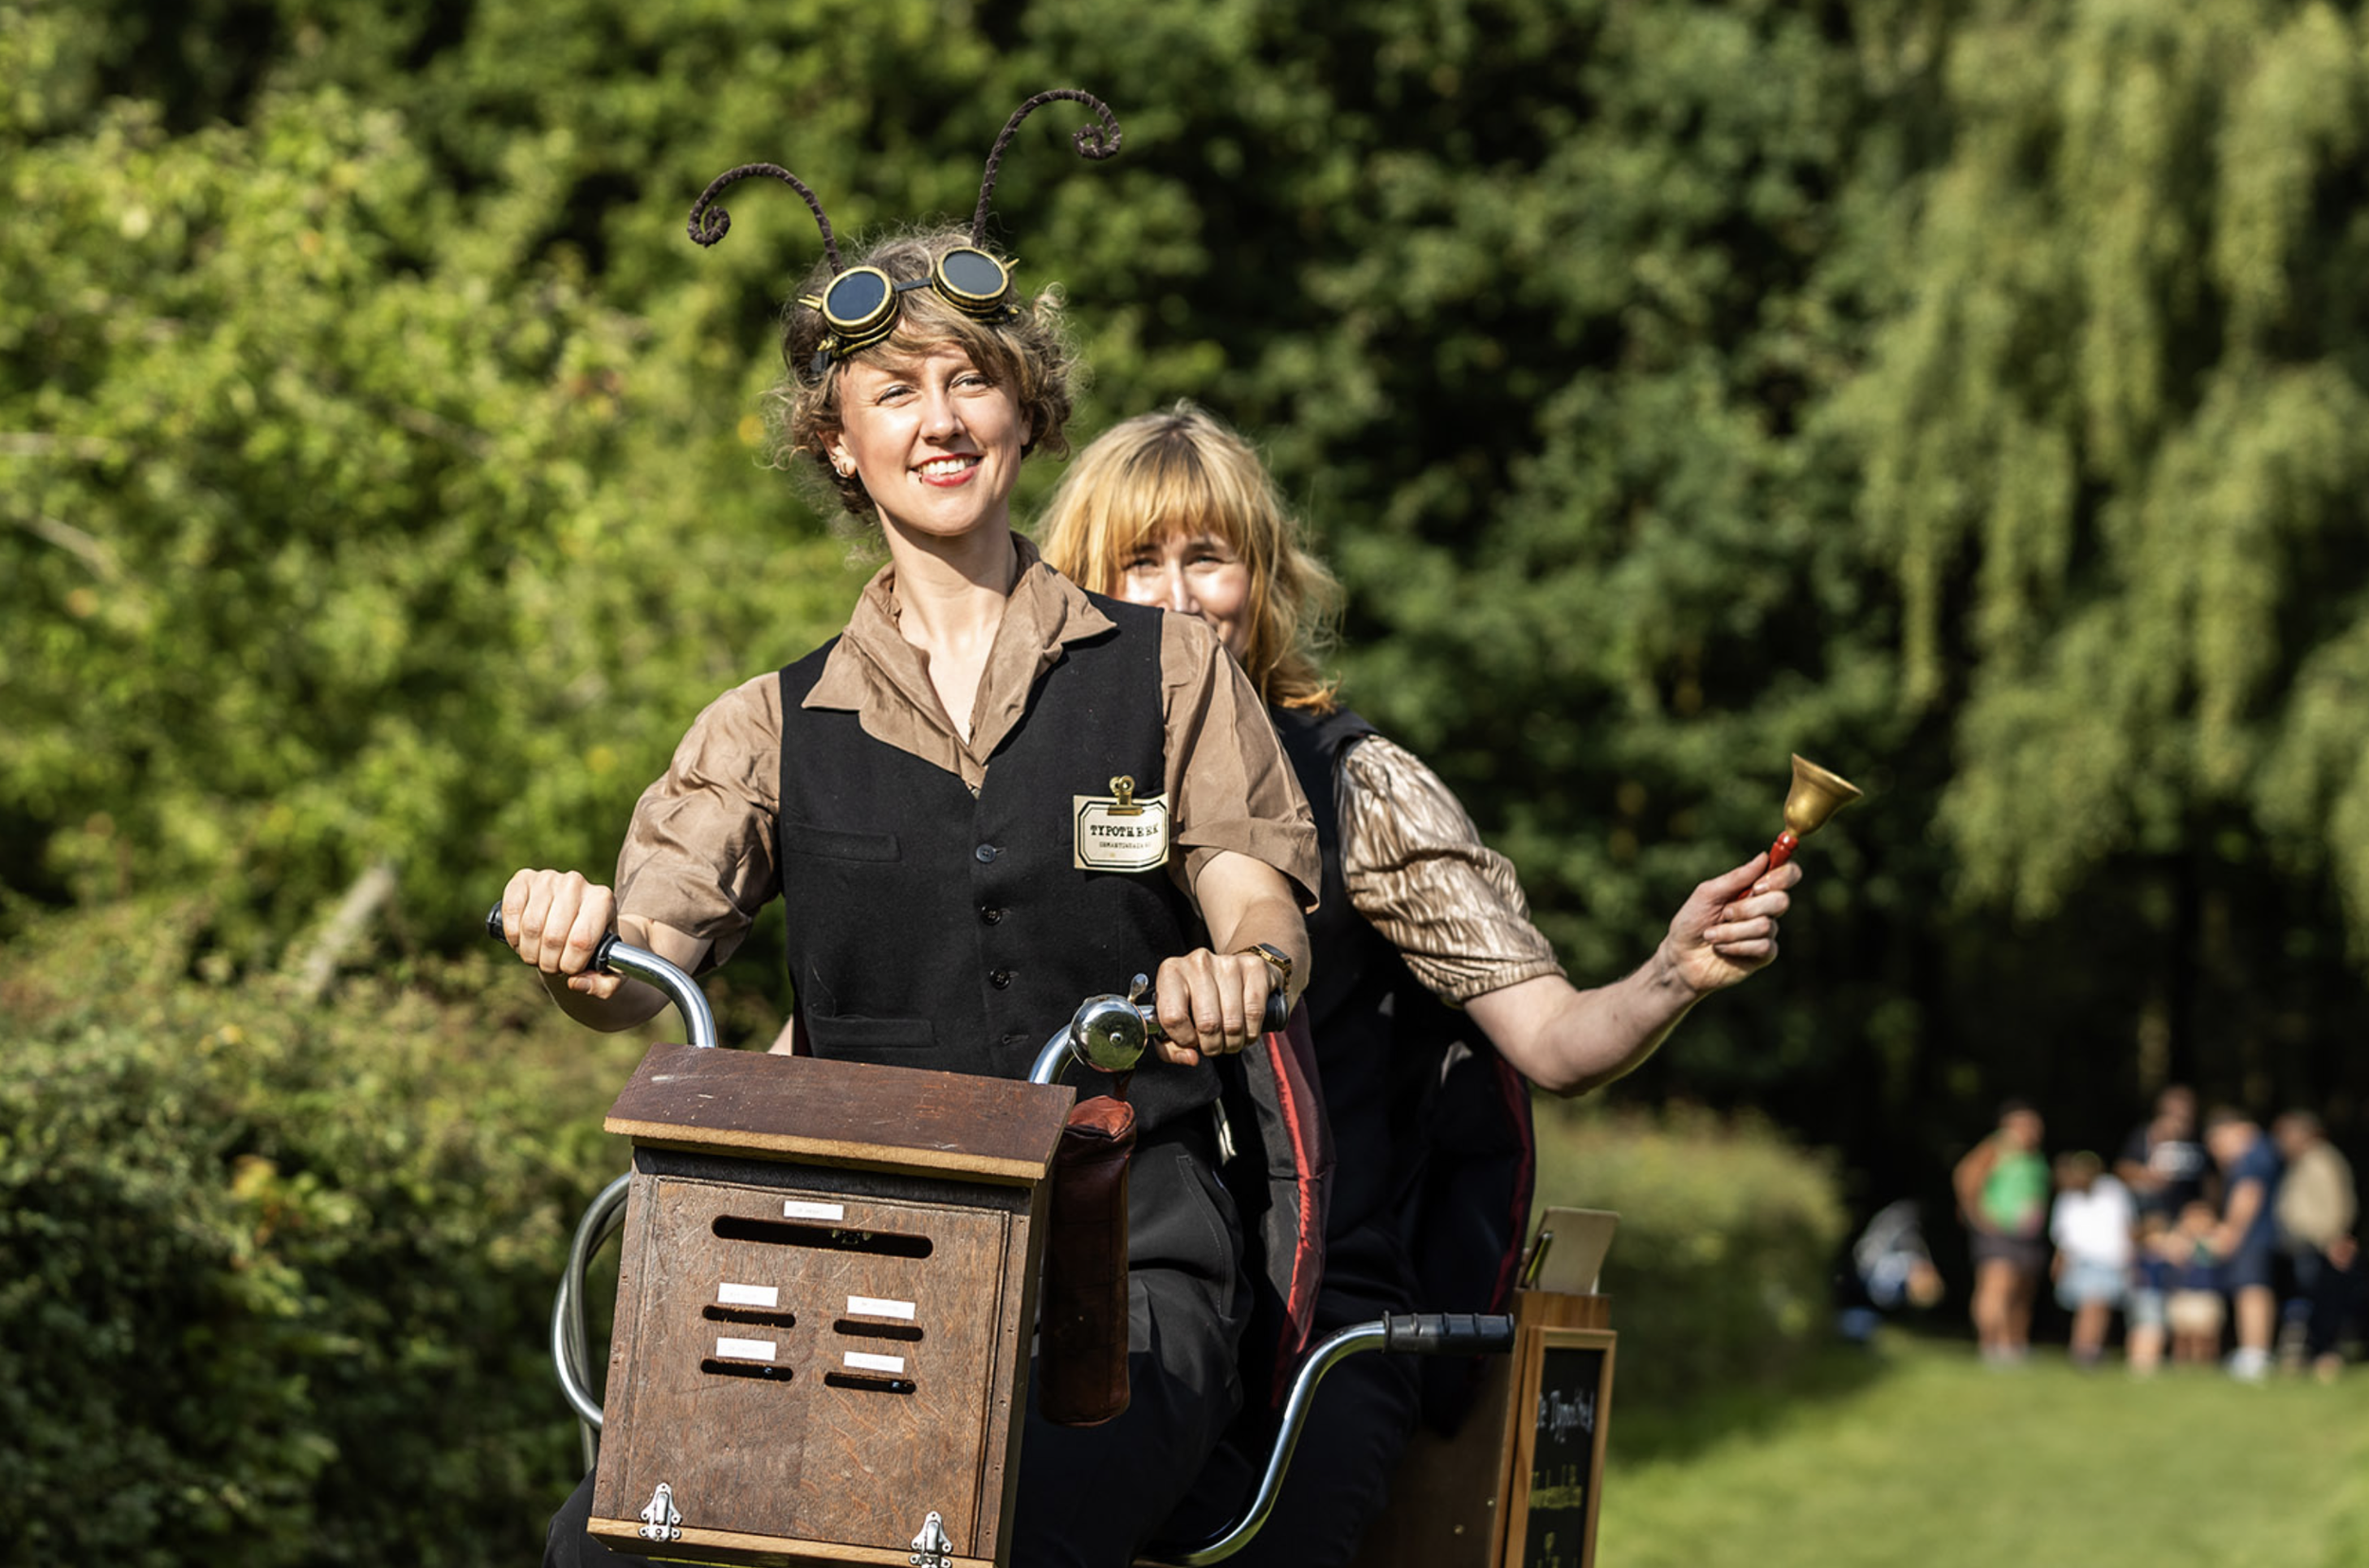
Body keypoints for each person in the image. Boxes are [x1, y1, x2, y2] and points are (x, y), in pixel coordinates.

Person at [502, 100, 1321, 1568]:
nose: (939, 421)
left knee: (984, 1529)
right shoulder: (766, 723)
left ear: (1030, 414)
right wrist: (574, 938)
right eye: (895, 392)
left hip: (1118, 1265)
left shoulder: (1169, 669)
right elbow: (645, 969)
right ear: (838, 438)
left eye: (973, 384)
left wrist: (1236, 965)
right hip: (853, 1268)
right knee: (608, 1544)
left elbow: (1258, 897)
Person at [1037, 402, 1800, 1566]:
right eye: (1137, 561)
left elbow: (1552, 1038)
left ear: (1266, 579)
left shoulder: (1364, 788)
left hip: (1318, 1329)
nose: (1176, 596)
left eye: (1209, 558)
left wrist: (1670, 971)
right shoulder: (1017, 789)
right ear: (1076, 583)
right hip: (1095, 1301)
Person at [1952, 1100, 2049, 1367]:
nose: (2032, 1130)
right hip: (1998, 1232)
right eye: (2026, 1124)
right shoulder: (1995, 1147)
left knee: (2022, 1290)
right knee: (1997, 1287)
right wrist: (1977, 1214)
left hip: (2026, 1235)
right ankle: (1990, 1346)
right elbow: (1965, 1175)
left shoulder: (2034, 1156)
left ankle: (2013, 1346)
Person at [2272, 1109, 2358, 1382]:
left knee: (2323, 1302)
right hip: (2306, 1245)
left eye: (2284, 1134)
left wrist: (2335, 1239)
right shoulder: (2304, 1161)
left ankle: (2325, 1356)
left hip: (2322, 1245)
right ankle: (2309, 1355)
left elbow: (2338, 1204)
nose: (2280, 1142)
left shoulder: (2321, 1160)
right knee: (2307, 1303)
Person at [2202, 1107, 2284, 1381]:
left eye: (2218, 1142)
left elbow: (2249, 1194)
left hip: (2254, 1236)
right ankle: (2252, 1351)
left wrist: (2230, 1233)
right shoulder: (2263, 1152)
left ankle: (2254, 1355)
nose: (2217, 1151)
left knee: (2252, 1291)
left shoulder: (2253, 1155)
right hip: (2257, 1235)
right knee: (2250, 1290)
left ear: (2239, 1129)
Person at [2047, 1150, 2131, 1369]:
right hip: (2080, 1260)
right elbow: (2063, 1235)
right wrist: (2059, 1262)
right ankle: (2085, 1350)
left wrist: (2129, 1257)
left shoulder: (2113, 1191)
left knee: (2098, 1307)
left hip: (2110, 1259)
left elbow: (2125, 1226)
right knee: (2091, 1305)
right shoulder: (2068, 1197)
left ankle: (2088, 1349)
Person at [2115, 1084, 2212, 1226]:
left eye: (2185, 1113)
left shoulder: (2201, 1139)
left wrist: (2207, 1209)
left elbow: (2211, 1180)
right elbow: (2122, 1169)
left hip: (2192, 1218)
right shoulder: (2144, 1135)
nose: (2180, 1118)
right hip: (2150, 1217)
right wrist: (2148, 1175)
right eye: (2175, 1113)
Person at [2161, 1199, 2228, 1366]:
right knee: (2182, 1336)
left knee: (2206, 1336)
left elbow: (2223, 1247)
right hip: (2183, 1296)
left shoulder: (2214, 1241)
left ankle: (2204, 1364)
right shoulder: (2178, 1241)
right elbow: (2171, 1253)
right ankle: (2182, 1365)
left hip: (2207, 1296)